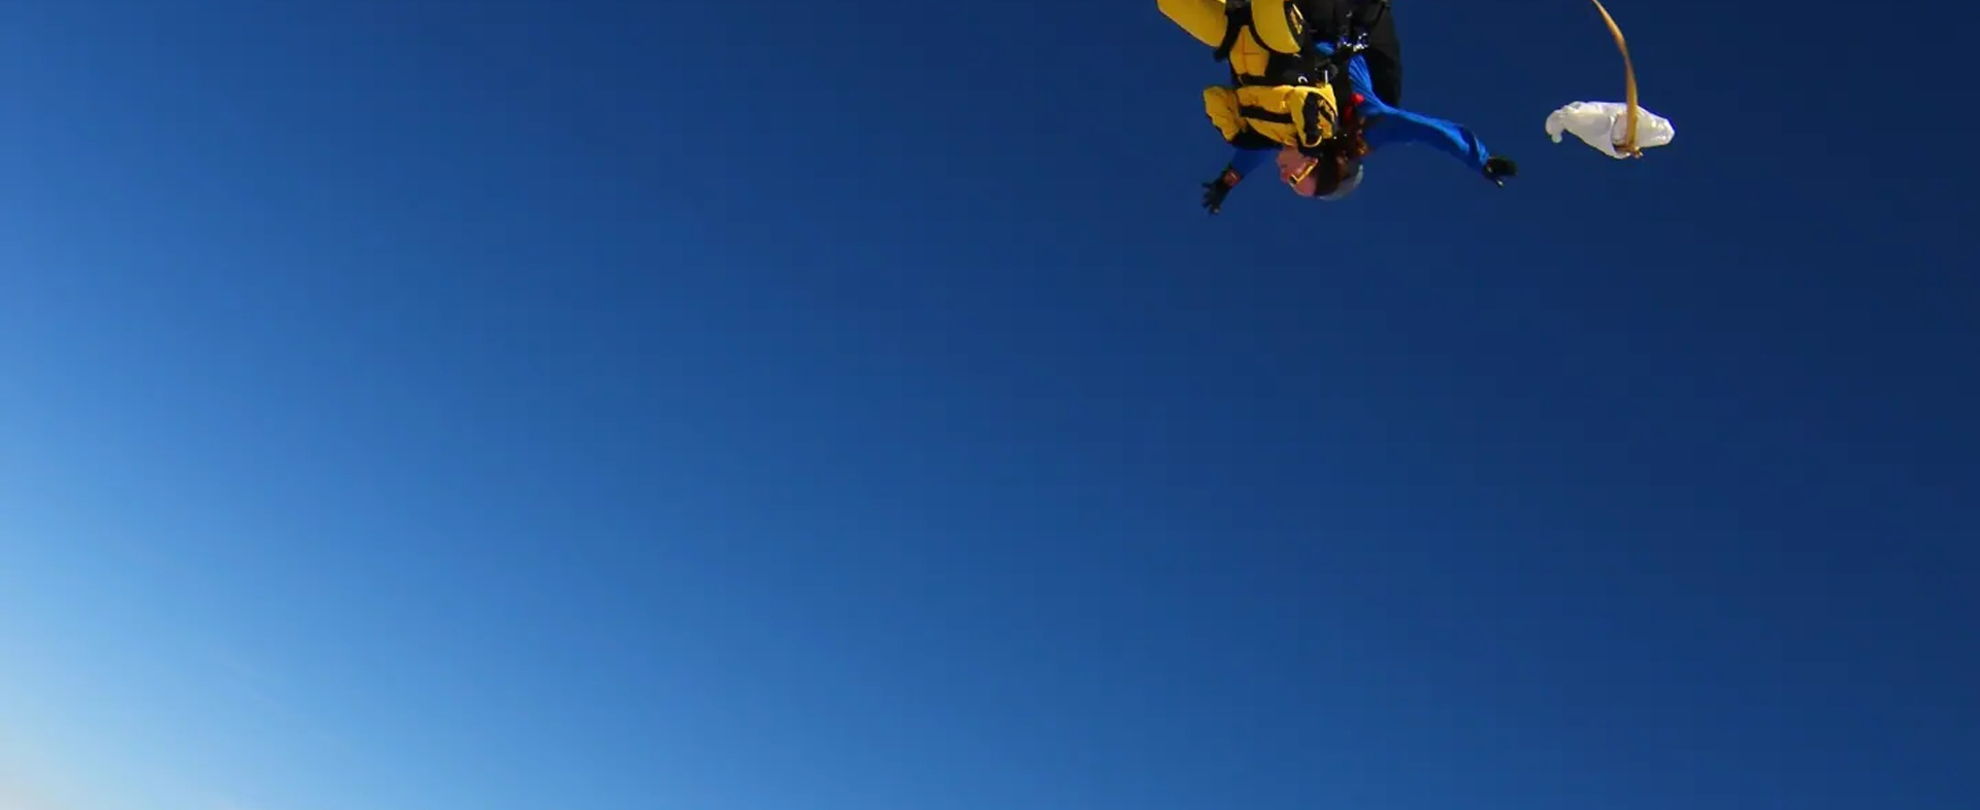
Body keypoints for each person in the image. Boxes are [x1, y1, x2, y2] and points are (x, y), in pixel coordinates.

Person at [1158, 0, 1518, 212]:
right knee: (1277, 27)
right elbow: (1430, 132)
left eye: (1288, 183)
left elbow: (1255, 151)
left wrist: (1227, 182)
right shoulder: (1365, 125)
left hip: (1266, 39)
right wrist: (1481, 159)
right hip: (1323, 25)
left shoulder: (1283, 131)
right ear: (1319, 162)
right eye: (1296, 178)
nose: (1283, 176)